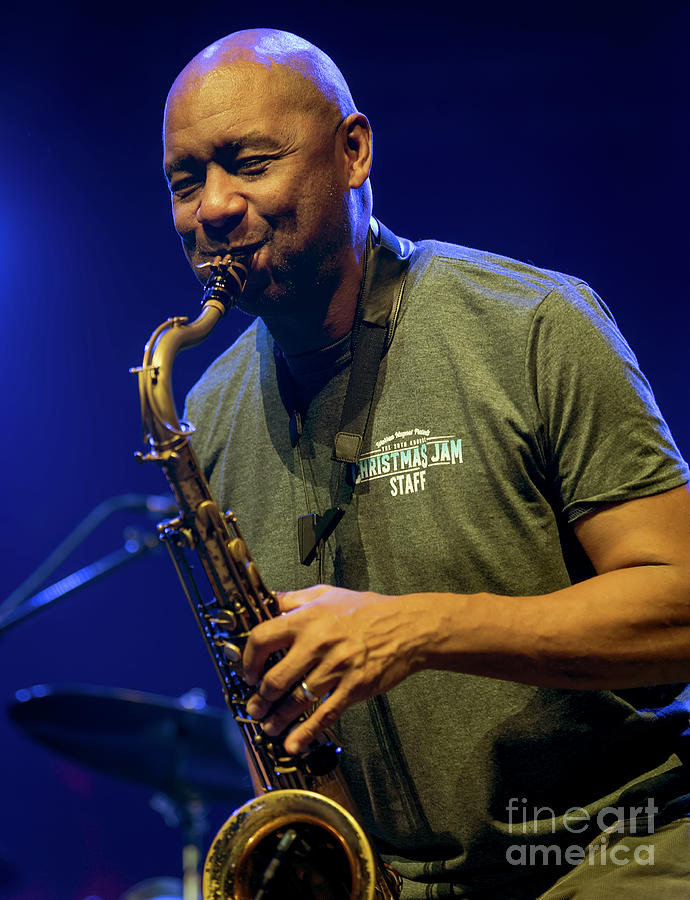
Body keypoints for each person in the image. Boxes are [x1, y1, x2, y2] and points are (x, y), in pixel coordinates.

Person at [163, 28, 690, 899]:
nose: (213, 206)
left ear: (354, 152)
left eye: (249, 163)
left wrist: (413, 630)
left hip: (612, 854)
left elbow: (679, 606)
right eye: (187, 181)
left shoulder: (532, 324)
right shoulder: (209, 410)